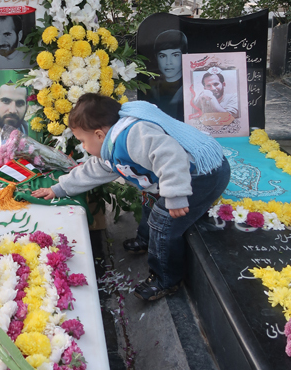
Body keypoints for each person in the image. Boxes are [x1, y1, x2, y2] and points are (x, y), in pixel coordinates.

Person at [32, 94, 230, 302]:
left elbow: (171, 156)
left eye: (82, 141)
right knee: (149, 199)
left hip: (202, 175)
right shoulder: (110, 146)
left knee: (163, 220)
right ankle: (147, 239)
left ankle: (165, 279)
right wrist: (59, 188)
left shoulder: (133, 135)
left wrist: (175, 195)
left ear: (99, 135)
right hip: (178, 176)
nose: (83, 147)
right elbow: (91, 171)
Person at [148, 29, 187, 121]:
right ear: (156, 57)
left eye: (175, 55)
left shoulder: (192, 83)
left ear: (185, 55)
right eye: (162, 56)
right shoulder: (150, 84)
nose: (168, 62)